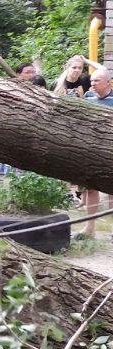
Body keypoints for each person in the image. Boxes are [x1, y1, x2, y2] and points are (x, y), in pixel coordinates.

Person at [81, 68, 113, 237]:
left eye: (97, 81)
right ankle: (90, 227)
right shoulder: (88, 99)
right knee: (91, 188)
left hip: (110, 150)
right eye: (92, 80)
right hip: (91, 150)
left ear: (108, 82)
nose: (92, 84)